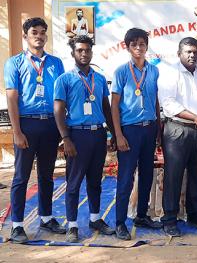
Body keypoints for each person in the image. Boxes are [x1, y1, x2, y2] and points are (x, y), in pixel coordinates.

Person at [4, 17, 66, 243]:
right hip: (27, 124)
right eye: (34, 32)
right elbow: (12, 99)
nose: (39, 36)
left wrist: (62, 130)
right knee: (21, 176)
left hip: (50, 124)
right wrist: (17, 131)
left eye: (42, 32)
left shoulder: (56, 63)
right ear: (25, 36)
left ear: (46, 36)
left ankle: (47, 218)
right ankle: (17, 225)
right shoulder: (14, 63)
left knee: (47, 175)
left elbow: (60, 97)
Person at [54, 35, 115, 243]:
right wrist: (66, 138)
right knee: (74, 182)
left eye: (87, 50)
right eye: (80, 50)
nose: (84, 53)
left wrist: (113, 133)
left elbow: (106, 108)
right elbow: (58, 111)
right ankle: (72, 224)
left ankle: (95, 218)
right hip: (77, 136)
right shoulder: (65, 79)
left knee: (95, 181)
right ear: (73, 53)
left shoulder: (99, 78)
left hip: (98, 134)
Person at [158, 37, 197, 237]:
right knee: (173, 175)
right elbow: (168, 104)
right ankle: (170, 218)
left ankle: (195, 214)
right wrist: (195, 117)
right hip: (177, 130)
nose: (192, 55)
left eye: (195, 51)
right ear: (179, 53)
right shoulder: (169, 72)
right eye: (188, 52)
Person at [111, 28, 162, 240]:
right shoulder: (121, 72)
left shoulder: (154, 71)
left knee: (147, 175)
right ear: (128, 47)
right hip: (129, 130)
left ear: (147, 46)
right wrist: (118, 135)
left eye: (142, 44)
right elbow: (114, 105)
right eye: (134, 44)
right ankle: (120, 222)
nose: (139, 48)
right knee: (126, 178)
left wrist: (158, 129)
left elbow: (156, 101)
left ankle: (141, 215)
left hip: (149, 128)